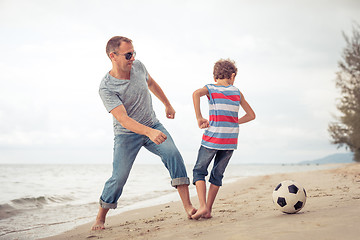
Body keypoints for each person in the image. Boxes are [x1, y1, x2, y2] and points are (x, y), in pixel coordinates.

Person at [92, 36, 196, 230]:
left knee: (173, 155)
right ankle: (100, 217)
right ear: (112, 56)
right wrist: (148, 132)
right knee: (119, 176)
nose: (133, 58)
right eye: (128, 54)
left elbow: (152, 84)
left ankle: (188, 206)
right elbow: (123, 119)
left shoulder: (138, 66)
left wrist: (167, 104)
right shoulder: (106, 87)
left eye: (134, 53)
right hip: (126, 134)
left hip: (152, 124)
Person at [191, 59, 255, 220]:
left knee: (199, 171)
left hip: (212, 138)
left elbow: (195, 94)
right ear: (232, 76)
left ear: (215, 76)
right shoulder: (237, 92)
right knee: (217, 175)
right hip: (230, 142)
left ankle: (202, 206)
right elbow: (251, 115)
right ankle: (209, 209)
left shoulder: (210, 88)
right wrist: (234, 121)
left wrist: (199, 117)